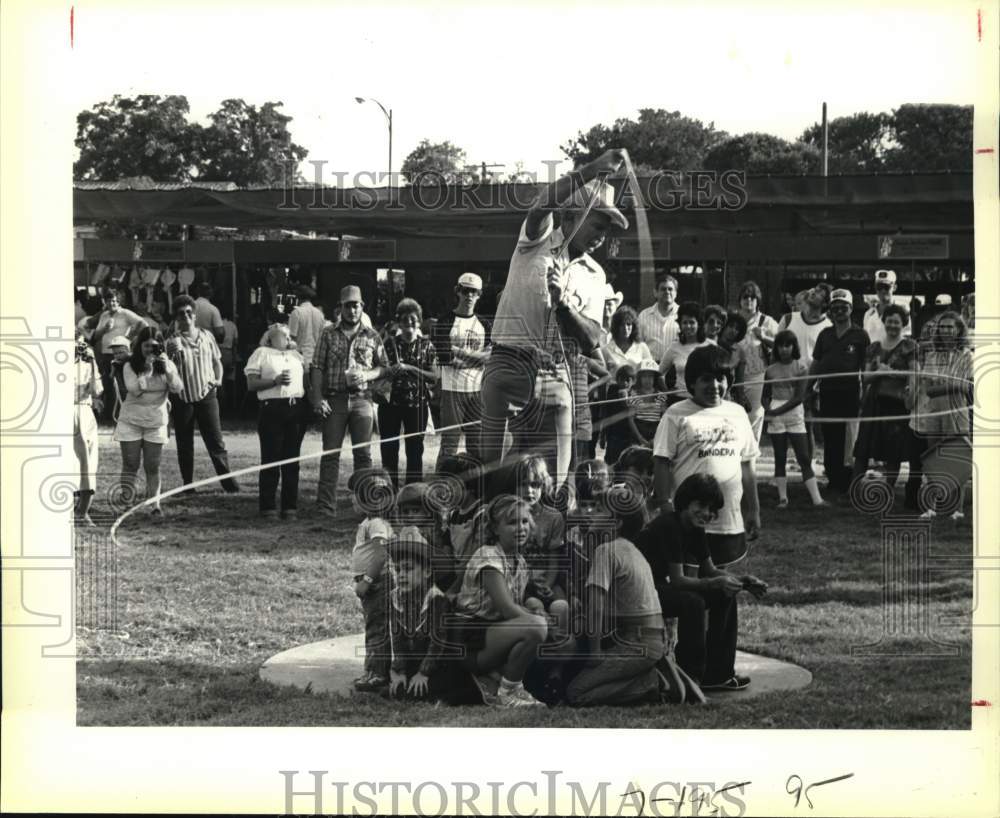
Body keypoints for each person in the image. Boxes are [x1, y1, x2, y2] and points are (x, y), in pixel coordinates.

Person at [480, 149, 627, 498]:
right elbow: (541, 204)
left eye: (607, 228)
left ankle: (547, 542)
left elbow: (592, 338)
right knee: (495, 478)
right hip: (508, 363)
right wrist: (591, 170)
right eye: (597, 223)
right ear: (572, 215)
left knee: (551, 485)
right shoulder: (537, 239)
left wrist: (563, 306)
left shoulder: (595, 274)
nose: (602, 235)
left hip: (555, 373)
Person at [635, 473, 767, 691]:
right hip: (640, 588)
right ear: (686, 502)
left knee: (725, 595)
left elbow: (710, 570)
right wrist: (714, 584)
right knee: (692, 602)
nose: (706, 513)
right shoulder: (670, 524)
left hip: (658, 584)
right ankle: (690, 677)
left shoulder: (695, 529)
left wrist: (741, 582)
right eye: (701, 506)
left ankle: (718, 674)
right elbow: (677, 580)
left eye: (712, 509)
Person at [653, 344, 761, 568]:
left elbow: (748, 467)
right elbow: (661, 461)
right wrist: (665, 505)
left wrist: (753, 510)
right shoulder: (675, 414)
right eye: (706, 379)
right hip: (690, 521)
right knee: (691, 589)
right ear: (692, 382)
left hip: (729, 522)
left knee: (726, 587)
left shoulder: (738, 413)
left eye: (721, 378)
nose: (714, 385)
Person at [565, 486, 670, 707]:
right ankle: (644, 677)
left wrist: (595, 653)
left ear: (617, 523)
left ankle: (652, 683)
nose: (592, 512)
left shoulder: (606, 551)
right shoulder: (631, 549)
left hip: (636, 642)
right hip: (650, 639)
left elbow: (596, 608)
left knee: (576, 693)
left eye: (600, 509)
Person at [452, 494, 548, 707]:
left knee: (556, 637)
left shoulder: (519, 562)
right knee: (538, 628)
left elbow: (517, 604)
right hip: (471, 636)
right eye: (512, 522)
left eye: (524, 521)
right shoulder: (488, 557)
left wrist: (535, 608)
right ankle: (507, 693)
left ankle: (508, 683)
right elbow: (506, 609)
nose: (521, 528)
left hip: (492, 631)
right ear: (495, 529)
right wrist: (538, 621)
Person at [310, 285, 387, 514]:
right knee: (330, 453)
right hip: (335, 399)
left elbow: (384, 368)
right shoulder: (328, 333)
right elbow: (316, 367)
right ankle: (325, 506)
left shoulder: (372, 335)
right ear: (340, 308)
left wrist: (367, 374)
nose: (352, 310)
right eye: (348, 306)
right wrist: (317, 397)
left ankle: (365, 505)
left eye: (356, 305)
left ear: (362, 307)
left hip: (363, 399)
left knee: (363, 455)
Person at [166, 296, 240, 494]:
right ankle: (188, 485)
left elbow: (217, 361)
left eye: (189, 313)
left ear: (195, 315)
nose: (186, 317)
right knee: (184, 443)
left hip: (207, 393)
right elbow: (168, 370)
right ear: (176, 318)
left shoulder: (207, 336)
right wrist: (171, 354)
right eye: (181, 314)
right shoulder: (172, 342)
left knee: (215, 441)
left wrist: (219, 379)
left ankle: (228, 482)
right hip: (183, 397)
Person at [907, 310, 973, 518]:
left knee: (956, 457)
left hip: (956, 412)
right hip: (934, 411)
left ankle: (958, 508)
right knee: (934, 457)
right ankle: (934, 506)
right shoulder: (932, 355)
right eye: (942, 326)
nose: (945, 330)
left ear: (959, 330)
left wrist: (943, 384)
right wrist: (949, 384)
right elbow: (929, 388)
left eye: (950, 326)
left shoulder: (967, 355)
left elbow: (966, 386)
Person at [386, 527, 463, 702]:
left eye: (408, 569)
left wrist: (424, 672)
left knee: (422, 691)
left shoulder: (436, 599)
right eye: (398, 570)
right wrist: (400, 670)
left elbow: (438, 640)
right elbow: (397, 637)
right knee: (396, 687)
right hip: (414, 660)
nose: (402, 575)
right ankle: (405, 679)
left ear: (427, 571)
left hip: (438, 661)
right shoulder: (396, 597)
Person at [114, 326, 183, 515]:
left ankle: (155, 505)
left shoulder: (166, 363)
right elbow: (134, 389)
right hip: (131, 421)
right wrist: (147, 370)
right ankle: (127, 504)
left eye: (154, 346)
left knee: (152, 465)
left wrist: (168, 370)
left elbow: (177, 388)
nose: (150, 350)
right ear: (139, 347)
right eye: (146, 346)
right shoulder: (130, 365)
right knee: (131, 464)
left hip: (156, 421)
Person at [244, 324, 309, 519]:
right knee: (271, 458)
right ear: (270, 338)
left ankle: (290, 507)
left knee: (292, 459)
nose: (288, 339)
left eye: (289, 336)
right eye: (284, 336)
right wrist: (275, 381)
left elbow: (306, 383)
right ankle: (268, 507)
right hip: (272, 409)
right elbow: (251, 384)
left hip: (295, 408)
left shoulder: (297, 356)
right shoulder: (261, 353)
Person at [852, 304, 919, 497]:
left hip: (896, 403)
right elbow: (865, 377)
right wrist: (879, 372)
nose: (892, 325)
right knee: (863, 447)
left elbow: (914, 374)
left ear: (903, 324)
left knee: (893, 450)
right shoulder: (873, 348)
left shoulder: (909, 346)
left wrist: (887, 372)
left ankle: (887, 490)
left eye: (896, 321)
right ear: (884, 322)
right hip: (874, 402)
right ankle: (854, 490)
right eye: (889, 321)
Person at [808, 289, 870, 493]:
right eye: (835, 308)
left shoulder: (860, 335)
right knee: (830, 435)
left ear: (851, 309)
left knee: (849, 439)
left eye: (843, 307)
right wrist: (808, 388)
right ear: (831, 311)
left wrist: (865, 393)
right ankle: (833, 477)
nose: (839, 311)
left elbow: (865, 367)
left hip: (851, 393)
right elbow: (816, 363)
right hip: (827, 393)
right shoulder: (824, 334)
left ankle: (847, 479)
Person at [502, 454, 570, 635]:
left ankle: (559, 650)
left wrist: (548, 584)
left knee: (561, 607)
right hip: (521, 584)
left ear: (544, 485)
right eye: (523, 484)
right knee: (535, 606)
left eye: (535, 485)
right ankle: (540, 648)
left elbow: (554, 558)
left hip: (548, 580)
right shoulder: (508, 517)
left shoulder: (553, 517)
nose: (529, 491)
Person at [432, 273, 491, 468]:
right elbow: (446, 358)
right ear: (458, 291)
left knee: (476, 444)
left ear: (480, 295)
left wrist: (458, 351)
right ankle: (442, 486)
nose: (469, 296)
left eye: (474, 292)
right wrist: (476, 359)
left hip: (476, 391)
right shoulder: (445, 321)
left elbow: (490, 357)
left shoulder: (484, 324)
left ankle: (474, 487)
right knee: (450, 444)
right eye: (465, 291)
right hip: (452, 390)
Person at [380, 298, 440, 488]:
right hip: (390, 405)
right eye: (405, 320)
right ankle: (389, 492)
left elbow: (434, 377)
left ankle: (412, 494)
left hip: (417, 405)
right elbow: (380, 371)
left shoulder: (427, 346)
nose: (409, 324)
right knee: (389, 449)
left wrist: (410, 368)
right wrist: (391, 371)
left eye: (413, 320)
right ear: (399, 322)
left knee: (415, 451)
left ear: (419, 321)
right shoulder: (389, 344)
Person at [762, 331, 827, 507]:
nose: (784, 349)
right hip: (776, 415)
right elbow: (765, 395)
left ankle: (817, 499)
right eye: (780, 345)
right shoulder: (770, 370)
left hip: (794, 414)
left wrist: (777, 411)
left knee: (803, 457)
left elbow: (799, 397)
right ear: (776, 348)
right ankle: (783, 498)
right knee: (780, 457)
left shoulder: (801, 367)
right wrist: (768, 410)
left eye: (788, 345)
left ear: (794, 347)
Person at [347, 467, 396, 693]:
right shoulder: (369, 522)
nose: (350, 499)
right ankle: (373, 670)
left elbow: (380, 553)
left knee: (377, 628)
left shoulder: (376, 524)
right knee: (374, 626)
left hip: (378, 584)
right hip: (374, 584)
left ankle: (377, 673)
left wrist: (366, 580)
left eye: (354, 494)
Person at [89, 289, 148, 422]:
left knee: (122, 385)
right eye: (109, 301)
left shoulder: (125, 313)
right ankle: (111, 417)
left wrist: (129, 338)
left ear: (118, 301)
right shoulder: (104, 315)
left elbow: (143, 324)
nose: (112, 303)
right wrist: (105, 329)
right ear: (105, 302)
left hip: (121, 355)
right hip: (106, 354)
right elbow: (96, 336)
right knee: (108, 385)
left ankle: (126, 416)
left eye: (115, 300)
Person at [735, 281, 780, 442]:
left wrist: (764, 337)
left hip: (757, 375)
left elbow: (783, 346)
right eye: (745, 296)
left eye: (753, 297)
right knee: (734, 416)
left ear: (758, 300)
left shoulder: (767, 322)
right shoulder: (732, 320)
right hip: (734, 377)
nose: (749, 300)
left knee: (754, 414)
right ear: (740, 299)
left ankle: (751, 453)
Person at [73, 330, 103, 526]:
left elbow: (97, 390)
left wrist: (92, 362)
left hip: (85, 410)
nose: (79, 347)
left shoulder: (88, 362)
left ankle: (83, 511)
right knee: (73, 461)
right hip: (68, 410)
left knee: (89, 462)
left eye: (82, 344)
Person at [658, 301, 709, 404]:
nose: (688, 326)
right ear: (680, 325)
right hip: (680, 400)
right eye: (685, 322)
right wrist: (667, 392)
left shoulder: (709, 346)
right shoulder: (674, 347)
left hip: (704, 400)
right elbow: (659, 374)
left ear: (699, 324)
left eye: (692, 322)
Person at [601, 363, 639, 466]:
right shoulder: (612, 390)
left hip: (628, 435)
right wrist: (602, 435)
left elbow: (633, 413)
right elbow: (606, 412)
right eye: (621, 380)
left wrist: (625, 400)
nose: (624, 383)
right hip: (613, 434)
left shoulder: (635, 393)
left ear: (634, 381)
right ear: (617, 380)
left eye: (628, 380)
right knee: (611, 460)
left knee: (625, 461)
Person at [600, 305, 653, 380]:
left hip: (637, 390)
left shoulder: (642, 347)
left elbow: (650, 371)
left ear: (634, 326)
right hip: (614, 390)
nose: (625, 328)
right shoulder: (606, 350)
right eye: (622, 325)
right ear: (616, 327)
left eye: (628, 324)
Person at [636, 274, 679, 364]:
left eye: (670, 289)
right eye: (663, 289)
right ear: (655, 293)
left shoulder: (682, 314)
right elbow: (637, 346)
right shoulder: (644, 315)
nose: (667, 292)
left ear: (675, 293)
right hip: (651, 368)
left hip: (676, 367)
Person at [863, 269, 911, 345]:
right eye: (879, 287)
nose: (883, 291)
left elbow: (906, 340)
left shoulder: (902, 312)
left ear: (894, 287)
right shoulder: (868, 314)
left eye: (886, 287)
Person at [287, 285, 325, 371]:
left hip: (299, 358)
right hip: (316, 358)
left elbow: (291, 337)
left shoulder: (296, 313)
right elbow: (322, 337)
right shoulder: (319, 314)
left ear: (298, 298)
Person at [630, 361, 667, 445]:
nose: (647, 380)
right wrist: (640, 438)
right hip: (639, 430)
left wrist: (656, 438)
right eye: (644, 377)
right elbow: (631, 419)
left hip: (656, 431)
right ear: (640, 378)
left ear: (655, 378)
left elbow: (665, 419)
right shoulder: (634, 395)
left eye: (650, 376)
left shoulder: (661, 396)